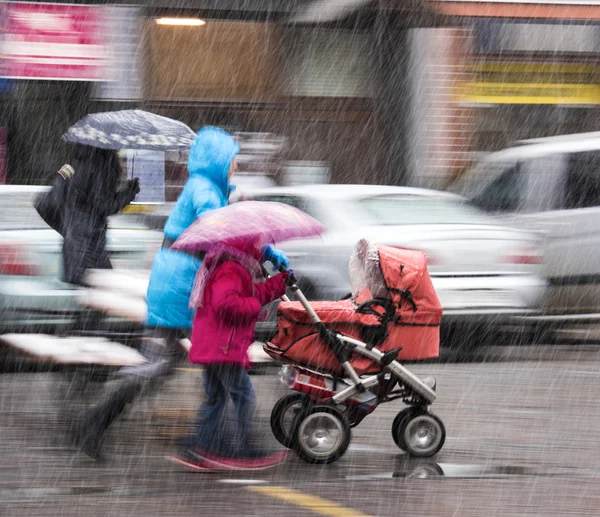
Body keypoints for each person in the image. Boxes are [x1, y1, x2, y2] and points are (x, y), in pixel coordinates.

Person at [74, 127, 288, 459]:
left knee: (171, 362)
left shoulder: (209, 188)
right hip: (181, 284)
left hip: (179, 279)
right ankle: (221, 441)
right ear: (218, 160)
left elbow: (222, 227)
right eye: (232, 160)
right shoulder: (204, 190)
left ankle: (105, 422)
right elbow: (217, 227)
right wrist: (264, 250)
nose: (235, 167)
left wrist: (260, 248)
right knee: (219, 355)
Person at [168, 241, 292, 472]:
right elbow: (226, 303)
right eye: (258, 244)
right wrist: (254, 306)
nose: (262, 250)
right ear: (246, 247)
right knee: (243, 396)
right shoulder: (232, 269)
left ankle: (201, 447)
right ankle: (242, 447)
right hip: (223, 348)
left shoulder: (230, 266)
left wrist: (279, 283)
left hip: (214, 346)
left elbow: (253, 293)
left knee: (215, 398)